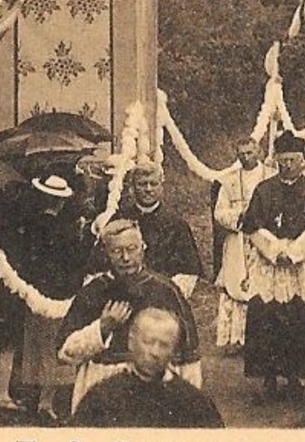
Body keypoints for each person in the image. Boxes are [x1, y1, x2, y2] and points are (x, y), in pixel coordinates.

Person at [58, 219, 202, 411]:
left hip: (157, 391)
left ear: (143, 249)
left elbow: (189, 358)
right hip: (101, 389)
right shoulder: (92, 292)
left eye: (132, 248)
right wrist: (102, 327)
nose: (125, 257)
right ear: (106, 253)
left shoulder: (166, 290)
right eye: (117, 251)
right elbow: (64, 354)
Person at [239, 134, 305, 398]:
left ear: (302, 160)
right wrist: (274, 251)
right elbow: (254, 226)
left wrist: (293, 253)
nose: (288, 166)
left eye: (293, 160)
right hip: (270, 266)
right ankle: (269, 376)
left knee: (299, 320)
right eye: (283, 161)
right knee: (268, 320)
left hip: (300, 266)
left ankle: (294, 375)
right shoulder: (264, 190)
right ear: (276, 160)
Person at [3, 174, 90, 421]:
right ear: (60, 202)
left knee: (35, 342)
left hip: (35, 290)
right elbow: (76, 260)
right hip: (57, 292)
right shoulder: (66, 230)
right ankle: (46, 402)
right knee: (53, 342)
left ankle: (35, 397)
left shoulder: (30, 226)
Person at [70, 307, 223, 428]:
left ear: (174, 350)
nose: (155, 352)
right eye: (148, 342)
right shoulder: (101, 398)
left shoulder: (195, 403)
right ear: (131, 342)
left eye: (164, 345)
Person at [95, 161, 202, 298]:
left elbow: (188, 272)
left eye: (153, 183)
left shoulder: (176, 224)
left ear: (161, 187)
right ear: (132, 188)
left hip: (162, 297)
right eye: (142, 184)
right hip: (123, 296)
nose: (148, 189)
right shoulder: (119, 219)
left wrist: (165, 295)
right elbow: (99, 263)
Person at [211, 136, 271, 348]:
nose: (246, 158)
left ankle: (262, 338)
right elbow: (219, 212)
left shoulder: (270, 176)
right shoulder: (229, 181)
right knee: (235, 284)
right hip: (237, 240)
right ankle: (236, 338)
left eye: (250, 153)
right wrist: (240, 215)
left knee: (263, 284)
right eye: (241, 154)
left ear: (259, 152)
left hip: (264, 239)